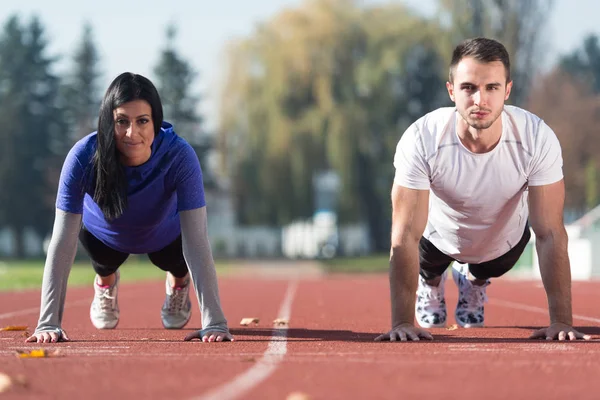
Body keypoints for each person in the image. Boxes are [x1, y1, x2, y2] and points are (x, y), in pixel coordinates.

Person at [375, 37, 591, 342]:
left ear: (507, 90)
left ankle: (474, 281)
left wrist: (561, 321)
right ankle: (431, 282)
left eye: (491, 88)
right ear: (451, 91)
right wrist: (401, 322)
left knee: (506, 252)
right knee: (425, 256)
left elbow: (550, 233)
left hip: (501, 241)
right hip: (437, 239)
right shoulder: (422, 138)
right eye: (468, 88)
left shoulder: (536, 138)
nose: (480, 100)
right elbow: (404, 235)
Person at [26, 72, 233, 343]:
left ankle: (178, 283)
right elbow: (63, 240)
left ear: (156, 123)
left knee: (176, 258)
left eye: (142, 121)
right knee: (103, 258)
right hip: (104, 238)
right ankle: (105, 282)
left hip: (166, 238)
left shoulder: (180, 156)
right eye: (121, 121)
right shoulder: (82, 157)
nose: (131, 133)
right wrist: (47, 323)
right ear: (107, 122)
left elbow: (197, 239)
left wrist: (214, 321)